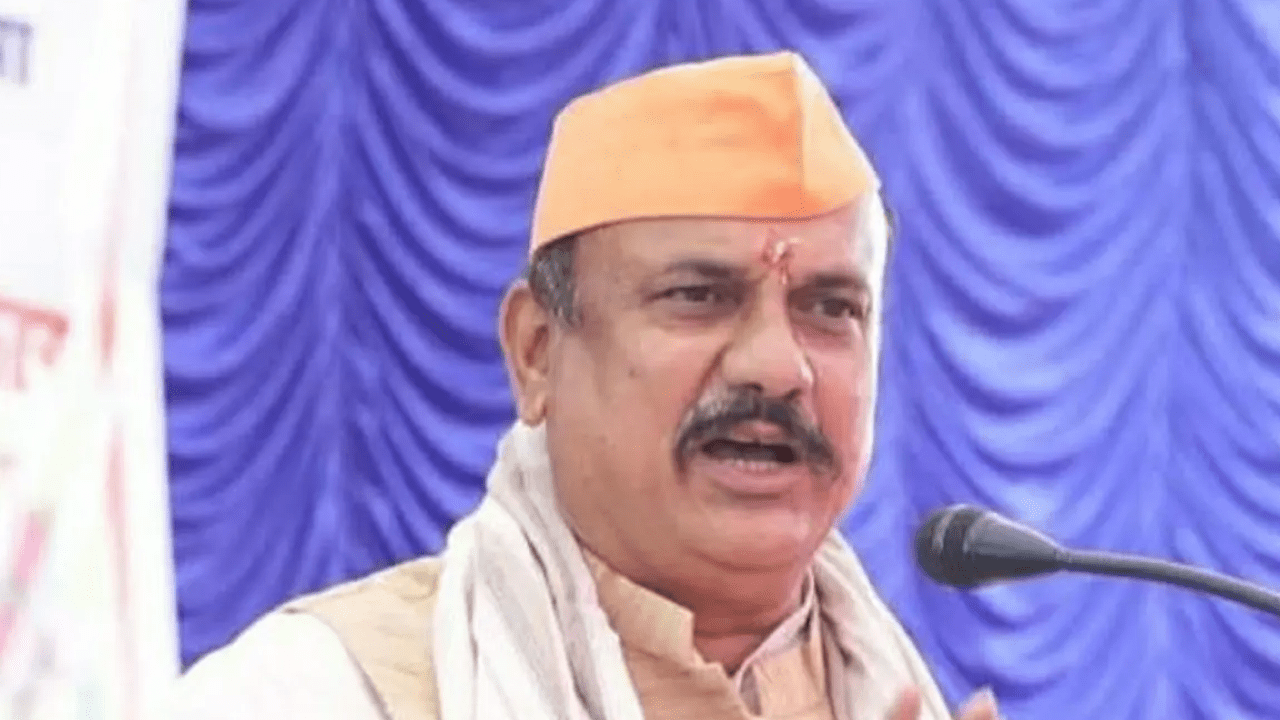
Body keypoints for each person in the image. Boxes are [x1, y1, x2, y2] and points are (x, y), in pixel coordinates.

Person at [172, 51, 1001, 720]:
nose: (777, 366)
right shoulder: (313, 693)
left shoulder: (897, 689)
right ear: (536, 353)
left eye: (831, 307)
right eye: (699, 296)